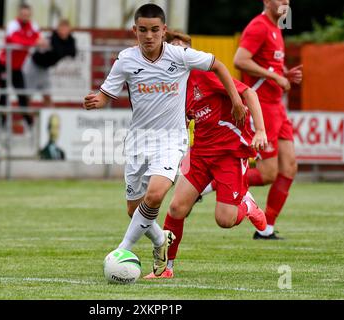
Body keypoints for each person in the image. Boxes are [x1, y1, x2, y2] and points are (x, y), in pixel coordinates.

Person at [83, 4, 247, 277]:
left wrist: (236, 99)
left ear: (164, 31)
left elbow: (217, 64)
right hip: (138, 141)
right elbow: (105, 94)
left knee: (156, 195)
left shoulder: (180, 56)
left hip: (171, 140)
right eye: (143, 30)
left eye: (155, 30)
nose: (149, 36)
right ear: (135, 31)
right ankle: (161, 240)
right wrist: (95, 101)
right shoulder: (125, 59)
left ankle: (123, 249)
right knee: (134, 209)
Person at [144, 31, 268, 279]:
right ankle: (165, 270)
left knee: (224, 220)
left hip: (229, 153)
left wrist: (261, 130)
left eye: (184, 50)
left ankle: (247, 204)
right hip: (199, 153)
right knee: (176, 208)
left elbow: (249, 93)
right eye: (173, 49)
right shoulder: (172, 86)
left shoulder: (207, 76)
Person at [233, 0, 302, 240]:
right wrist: (275, 75)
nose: (285, 2)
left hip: (277, 107)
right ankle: (216, 179)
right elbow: (240, 60)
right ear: (266, 1)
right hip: (262, 106)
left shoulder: (276, 27)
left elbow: (267, 64)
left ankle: (266, 229)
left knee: (289, 167)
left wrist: (283, 75)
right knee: (268, 173)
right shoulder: (259, 26)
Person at [0, 4, 48, 130]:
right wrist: (31, 42)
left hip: (17, 68)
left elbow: (42, 42)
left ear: (30, 15)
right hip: (4, 65)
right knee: (4, 94)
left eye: (27, 14)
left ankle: (30, 125)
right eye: (23, 14)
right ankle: (1, 125)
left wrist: (31, 41)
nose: (25, 17)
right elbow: (15, 40)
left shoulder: (33, 26)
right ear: (19, 14)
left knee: (22, 95)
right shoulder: (12, 25)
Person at [23, 19, 77, 107]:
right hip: (34, 66)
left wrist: (64, 49)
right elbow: (59, 51)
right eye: (61, 27)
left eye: (66, 27)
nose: (63, 30)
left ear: (69, 29)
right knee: (27, 96)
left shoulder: (70, 40)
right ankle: (27, 119)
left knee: (47, 95)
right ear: (58, 28)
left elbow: (73, 53)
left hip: (45, 69)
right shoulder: (53, 37)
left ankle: (50, 118)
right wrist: (64, 50)